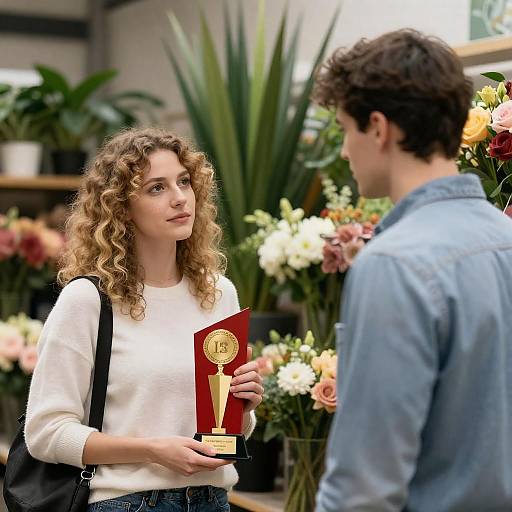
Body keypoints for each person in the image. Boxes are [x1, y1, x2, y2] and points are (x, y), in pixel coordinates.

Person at [314, 29, 512, 511]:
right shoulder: (506, 243)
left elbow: (364, 486)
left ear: (379, 128)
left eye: (345, 129)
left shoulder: (394, 265)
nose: (344, 151)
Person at [24, 128, 263, 512]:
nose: (180, 198)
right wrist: (153, 450)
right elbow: (45, 432)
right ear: (121, 207)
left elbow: (228, 434)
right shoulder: (88, 300)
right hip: (127, 503)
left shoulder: (219, 293)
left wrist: (245, 407)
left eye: (183, 181)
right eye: (157, 188)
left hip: (214, 500)